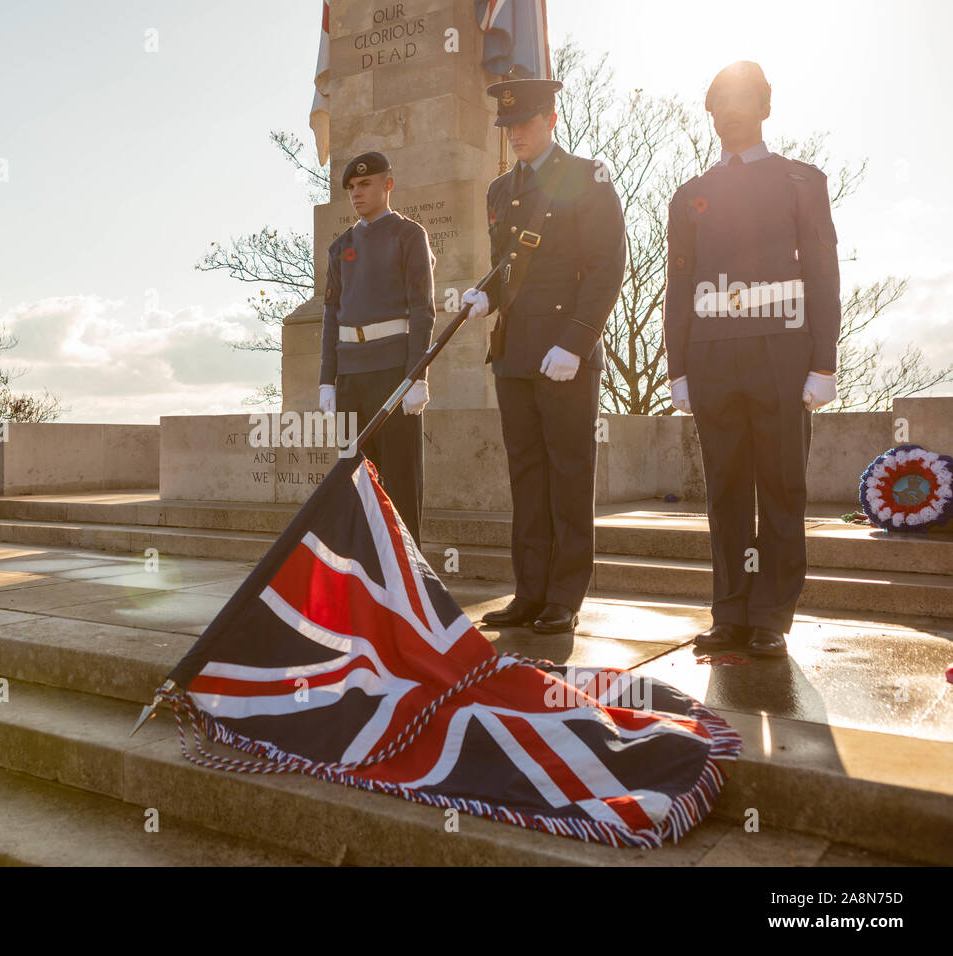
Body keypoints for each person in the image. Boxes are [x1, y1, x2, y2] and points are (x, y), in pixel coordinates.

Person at [663, 62, 841, 658]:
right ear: (710, 113)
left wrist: (824, 361)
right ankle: (731, 610)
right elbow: (679, 285)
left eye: (742, 99)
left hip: (782, 352)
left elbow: (821, 272)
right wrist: (678, 368)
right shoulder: (689, 196)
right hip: (712, 356)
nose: (729, 110)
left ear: (764, 108)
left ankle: (772, 615)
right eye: (719, 101)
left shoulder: (801, 181)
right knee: (727, 488)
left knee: (782, 485)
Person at [464, 78, 627, 634]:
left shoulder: (586, 177)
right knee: (526, 474)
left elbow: (607, 267)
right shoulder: (498, 189)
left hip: (565, 352)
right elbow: (508, 268)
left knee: (569, 472)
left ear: (552, 119)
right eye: (507, 128)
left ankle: (564, 596)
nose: (516, 136)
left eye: (525, 123)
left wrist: (578, 341)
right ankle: (529, 591)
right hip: (514, 352)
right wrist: (487, 296)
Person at [318, 150, 436, 546]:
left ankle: (409, 574)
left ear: (388, 184)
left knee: (401, 479)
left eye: (365, 184)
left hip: (393, 373)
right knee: (355, 480)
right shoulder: (341, 247)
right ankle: (363, 571)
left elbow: (423, 310)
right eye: (351, 187)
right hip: (350, 374)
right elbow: (331, 316)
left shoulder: (409, 235)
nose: (357, 193)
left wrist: (417, 376)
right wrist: (326, 382)